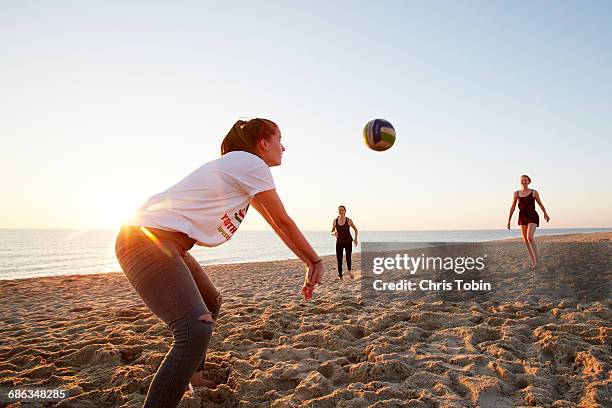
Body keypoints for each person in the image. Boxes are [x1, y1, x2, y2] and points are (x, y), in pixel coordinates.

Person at [114, 118, 324, 408]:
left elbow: (277, 225)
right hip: (145, 241)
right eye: (279, 139)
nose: (283, 147)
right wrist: (314, 260)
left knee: (210, 302)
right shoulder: (251, 164)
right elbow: (284, 222)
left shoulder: (244, 169)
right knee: (194, 328)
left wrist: (308, 261)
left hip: (163, 243)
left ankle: (195, 378)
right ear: (263, 143)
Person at [507, 174, 551, 267]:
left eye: (525, 180)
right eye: (522, 180)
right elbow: (512, 207)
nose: (524, 182)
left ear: (529, 181)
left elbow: (540, 204)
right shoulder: (516, 193)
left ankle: (538, 261)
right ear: (520, 181)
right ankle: (533, 261)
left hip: (532, 215)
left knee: (530, 237)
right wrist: (509, 220)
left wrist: (545, 213)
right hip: (522, 216)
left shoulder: (534, 192)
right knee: (525, 240)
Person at [330, 205, 358, 280]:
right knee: (339, 259)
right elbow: (331, 231)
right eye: (340, 210)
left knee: (348, 257)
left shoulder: (349, 220)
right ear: (338, 211)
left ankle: (349, 272)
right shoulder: (335, 221)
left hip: (348, 241)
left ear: (345, 211)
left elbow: (355, 229)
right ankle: (340, 275)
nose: (341, 211)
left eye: (342, 210)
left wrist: (355, 239)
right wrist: (334, 233)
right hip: (339, 242)